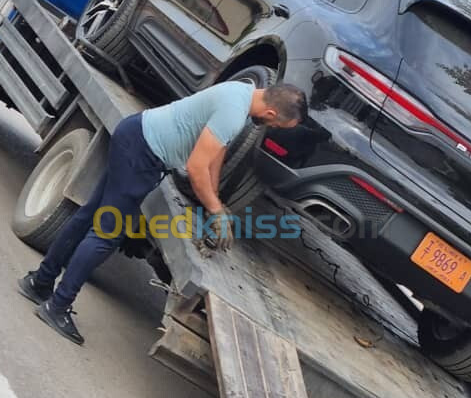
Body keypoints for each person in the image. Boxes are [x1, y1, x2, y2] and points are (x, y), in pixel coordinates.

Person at [17, 80, 307, 345]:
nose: (274, 130)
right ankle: (57, 306)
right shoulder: (234, 112)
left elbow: (216, 151)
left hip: (136, 136)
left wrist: (213, 200)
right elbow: (196, 167)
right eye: (279, 126)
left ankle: (39, 282)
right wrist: (216, 211)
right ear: (270, 114)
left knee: (89, 215)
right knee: (107, 234)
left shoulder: (242, 93)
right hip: (142, 154)